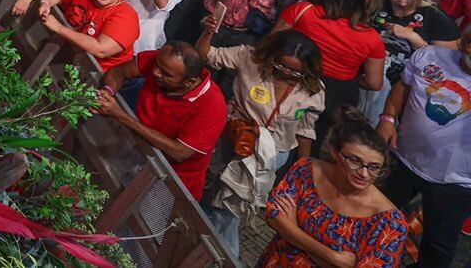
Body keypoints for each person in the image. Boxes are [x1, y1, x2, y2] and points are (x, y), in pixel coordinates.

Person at [194, 22, 326, 261]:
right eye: (280, 65)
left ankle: (224, 257)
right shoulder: (249, 57)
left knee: (229, 208)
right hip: (234, 140)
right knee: (215, 192)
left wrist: (303, 168)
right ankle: (201, 240)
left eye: (296, 72)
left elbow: (306, 129)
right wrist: (208, 32)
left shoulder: (314, 90)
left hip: (272, 154)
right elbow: (206, 55)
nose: (286, 73)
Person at [260, 108, 407, 267]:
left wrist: (292, 229)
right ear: (335, 152)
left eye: (374, 167)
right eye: (355, 161)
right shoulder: (306, 169)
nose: (364, 174)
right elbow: (273, 216)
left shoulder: (389, 223)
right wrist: (332, 257)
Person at [377, 24, 471, 268]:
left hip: (455, 182)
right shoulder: (429, 56)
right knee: (371, 214)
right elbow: (403, 86)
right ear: (463, 40)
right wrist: (387, 117)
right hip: (403, 160)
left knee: (437, 247)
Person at [97, 42, 228, 202]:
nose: (155, 72)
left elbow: (179, 152)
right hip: (134, 156)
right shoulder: (162, 62)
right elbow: (120, 72)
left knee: (132, 224)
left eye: (165, 73)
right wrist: (108, 91)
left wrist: (120, 115)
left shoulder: (212, 106)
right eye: (156, 65)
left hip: (168, 184)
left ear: (189, 82)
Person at [275, 0, 385, 145]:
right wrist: (351, 78)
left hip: (296, 80)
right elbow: (374, 83)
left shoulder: (303, 11)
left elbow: (273, 40)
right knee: (317, 145)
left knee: (279, 134)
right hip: (337, 96)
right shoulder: (372, 38)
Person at [364, 0, 460, 123]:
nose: (402, 3)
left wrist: (414, 38)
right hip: (370, 78)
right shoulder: (373, 5)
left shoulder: (434, 16)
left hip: (407, 88)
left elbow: (448, 65)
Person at [33, 0, 140, 72]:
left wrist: (59, 28)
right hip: (69, 56)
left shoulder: (127, 16)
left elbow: (101, 49)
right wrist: (46, 3)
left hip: (98, 76)